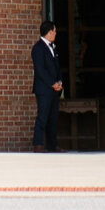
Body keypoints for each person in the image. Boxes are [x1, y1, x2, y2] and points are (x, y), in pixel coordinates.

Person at [31, 17, 64, 151]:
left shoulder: (53, 48)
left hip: (54, 89)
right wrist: (52, 83)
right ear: (49, 32)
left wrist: (60, 82)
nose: (55, 34)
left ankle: (52, 145)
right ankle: (38, 144)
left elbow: (56, 67)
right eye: (54, 31)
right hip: (44, 89)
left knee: (53, 118)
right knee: (42, 117)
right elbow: (40, 70)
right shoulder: (38, 48)